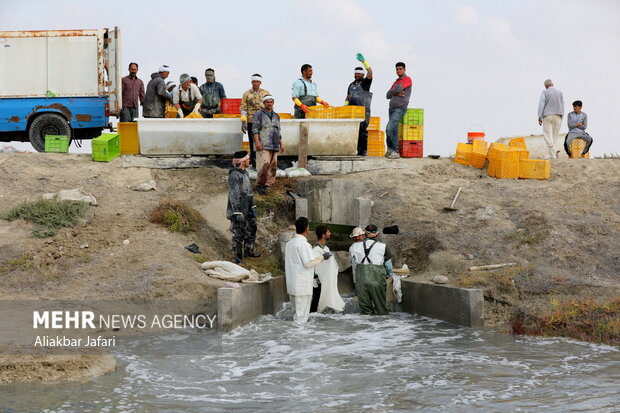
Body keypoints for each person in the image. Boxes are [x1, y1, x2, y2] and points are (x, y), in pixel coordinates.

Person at [285, 217, 331, 324]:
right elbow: (309, 263)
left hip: (292, 285)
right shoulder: (304, 245)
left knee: (295, 315)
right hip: (302, 285)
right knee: (301, 319)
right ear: (307, 229)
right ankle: (300, 339)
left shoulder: (289, 243)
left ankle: (292, 338)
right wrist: (322, 258)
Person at [349, 224, 392, 315]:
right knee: (381, 309)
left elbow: (353, 265)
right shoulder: (383, 246)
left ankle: (366, 327)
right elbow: (388, 266)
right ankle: (384, 327)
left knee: (365, 311)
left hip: (361, 280)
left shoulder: (353, 247)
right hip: (377, 280)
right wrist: (388, 275)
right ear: (377, 234)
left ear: (365, 234)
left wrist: (355, 281)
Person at [226, 151, 260, 264]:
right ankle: (237, 259)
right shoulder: (234, 175)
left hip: (248, 206)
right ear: (243, 161)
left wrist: (253, 205)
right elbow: (234, 195)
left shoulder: (245, 173)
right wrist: (237, 212)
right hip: (239, 207)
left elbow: (249, 191)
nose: (250, 161)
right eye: (248, 159)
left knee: (252, 228)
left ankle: (248, 251)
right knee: (239, 233)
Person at [252, 95, 284, 195]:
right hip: (263, 144)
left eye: (271, 102)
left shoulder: (276, 116)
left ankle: (269, 185)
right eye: (267, 102)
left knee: (273, 166)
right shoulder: (259, 114)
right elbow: (255, 129)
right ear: (264, 103)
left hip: (274, 145)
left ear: (273, 103)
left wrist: (281, 144)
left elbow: (278, 131)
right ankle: (260, 185)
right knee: (264, 165)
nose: (269, 103)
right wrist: (257, 142)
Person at [240, 74, 271, 169]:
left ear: (260, 82)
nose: (255, 83)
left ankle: (265, 162)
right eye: (254, 81)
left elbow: (270, 106)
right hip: (251, 121)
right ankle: (255, 164)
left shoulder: (266, 93)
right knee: (253, 143)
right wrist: (243, 122)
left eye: (257, 81)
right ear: (251, 82)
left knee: (264, 142)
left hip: (263, 122)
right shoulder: (247, 94)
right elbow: (243, 109)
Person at [312, 225, 345, 313]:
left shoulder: (326, 248)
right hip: (319, 281)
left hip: (327, 280)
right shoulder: (315, 249)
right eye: (328, 232)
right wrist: (316, 277)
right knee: (316, 303)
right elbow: (313, 265)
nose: (330, 234)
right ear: (323, 235)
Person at [345, 53, 373, 156]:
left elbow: (370, 72)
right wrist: (344, 107)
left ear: (362, 74)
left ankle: (363, 152)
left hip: (363, 112)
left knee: (362, 132)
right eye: (355, 73)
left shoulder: (365, 83)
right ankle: (355, 151)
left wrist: (364, 61)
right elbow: (347, 97)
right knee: (354, 132)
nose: (356, 75)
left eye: (358, 74)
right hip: (352, 112)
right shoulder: (351, 85)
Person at [385, 62, 412, 159]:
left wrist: (393, 92)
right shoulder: (396, 81)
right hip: (391, 108)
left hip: (400, 108)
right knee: (394, 130)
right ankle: (393, 150)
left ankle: (393, 149)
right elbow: (387, 95)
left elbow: (395, 90)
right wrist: (395, 92)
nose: (398, 71)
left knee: (388, 128)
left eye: (400, 69)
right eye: (397, 69)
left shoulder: (407, 79)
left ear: (405, 69)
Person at [537, 79, 565, 159]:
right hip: (558, 115)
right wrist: (562, 116)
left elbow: (541, 105)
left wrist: (539, 116)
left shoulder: (544, 92)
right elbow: (563, 106)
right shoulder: (560, 93)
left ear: (545, 86)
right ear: (552, 84)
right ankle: (553, 153)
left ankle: (552, 153)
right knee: (555, 135)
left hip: (547, 115)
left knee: (548, 135)